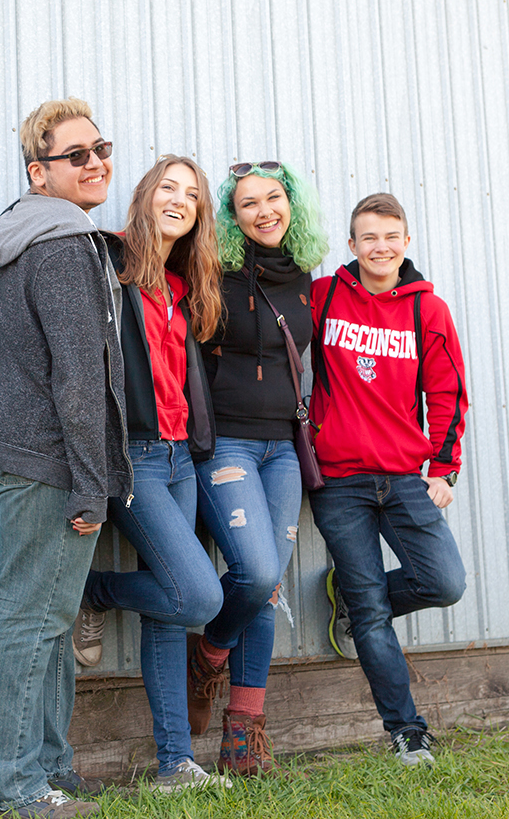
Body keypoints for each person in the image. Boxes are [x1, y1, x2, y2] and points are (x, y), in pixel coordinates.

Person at [0, 155, 232, 793]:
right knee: (198, 594)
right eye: (168, 187)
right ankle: (95, 593)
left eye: (191, 194)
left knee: (173, 609)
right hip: (131, 455)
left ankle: (175, 763)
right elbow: (46, 336)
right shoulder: (103, 260)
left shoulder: (186, 284)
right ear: (143, 197)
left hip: (179, 455)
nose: (180, 200)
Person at [0, 97, 127, 818]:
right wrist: (92, 483)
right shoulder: (62, 243)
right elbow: (77, 376)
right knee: (30, 619)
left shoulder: (18, 233)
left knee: (45, 615)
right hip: (44, 459)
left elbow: (13, 346)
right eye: (76, 156)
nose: (96, 164)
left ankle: (50, 765)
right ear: (40, 172)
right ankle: (13, 787)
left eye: (101, 149)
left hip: (1, 442)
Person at [307, 192, 469, 767]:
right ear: (351, 245)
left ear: (407, 242)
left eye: (390, 236)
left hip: (403, 476)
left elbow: (446, 392)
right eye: (368, 237)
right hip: (340, 481)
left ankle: (348, 597)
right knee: (372, 614)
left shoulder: (429, 310)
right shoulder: (323, 295)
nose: (380, 247)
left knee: (445, 582)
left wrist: (443, 469)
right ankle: (406, 731)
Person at [183, 161, 330, 777]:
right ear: (232, 217)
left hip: (282, 450)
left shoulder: (307, 281)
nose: (264, 210)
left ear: (292, 207)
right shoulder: (212, 274)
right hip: (229, 447)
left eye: (275, 198)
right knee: (259, 569)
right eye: (249, 203)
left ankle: (243, 741)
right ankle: (210, 652)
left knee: (265, 590)